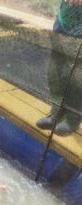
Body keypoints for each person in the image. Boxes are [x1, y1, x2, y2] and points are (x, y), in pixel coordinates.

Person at [36, 0, 82, 135]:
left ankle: (72, 118)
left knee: (77, 76)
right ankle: (56, 112)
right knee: (55, 71)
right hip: (64, 18)